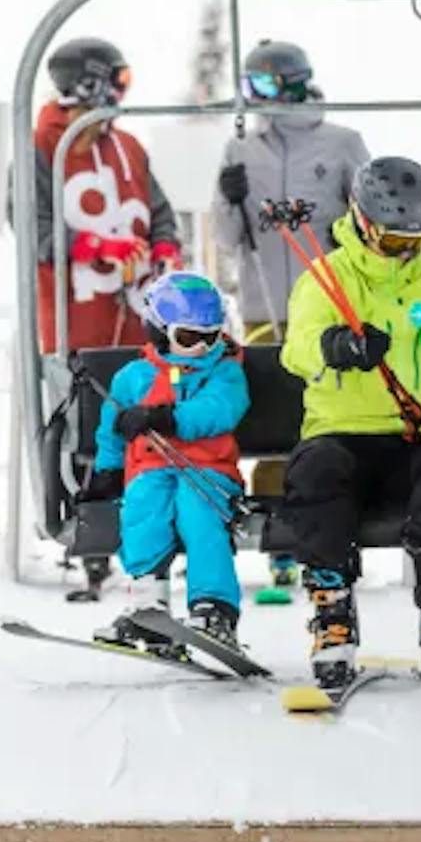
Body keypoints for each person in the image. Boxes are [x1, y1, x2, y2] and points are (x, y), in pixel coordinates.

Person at [278, 156, 421, 687]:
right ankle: (332, 611)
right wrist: (335, 345)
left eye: (415, 241)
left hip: (414, 431)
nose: (406, 252)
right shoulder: (328, 278)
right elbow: (295, 350)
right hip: (341, 430)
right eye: (395, 241)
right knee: (316, 474)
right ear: (362, 220)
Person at [208, 39, 369, 595]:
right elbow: (228, 240)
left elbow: (369, 227)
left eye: (268, 86)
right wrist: (230, 202)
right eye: (251, 87)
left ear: (298, 81)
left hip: (328, 304)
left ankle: (329, 527)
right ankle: (279, 533)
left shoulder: (342, 143)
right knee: (274, 417)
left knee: (321, 418)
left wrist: (333, 233)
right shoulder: (240, 151)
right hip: (263, 305)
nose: (258, 99)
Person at [93, 272, 252, 652]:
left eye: (209, 337)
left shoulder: (225, 371)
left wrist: (167, 418)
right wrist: (107, 468)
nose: (199, 348)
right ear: (158, 330)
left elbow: (221, 410)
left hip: (209, 471)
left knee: (200, 516)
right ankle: (148, 601)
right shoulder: (133, 377)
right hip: (150, 469)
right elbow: (110, 428)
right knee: (143, 509)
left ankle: (214, 608)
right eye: (187, 338)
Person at [28, 37, 182, 355]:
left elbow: (160, 211)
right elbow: (33, 229)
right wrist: (96, 246)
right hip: (77, 326)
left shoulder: (129, 146)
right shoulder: (40, 148)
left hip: (140, 322)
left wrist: (165, 245)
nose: (122, 95)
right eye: (119, 82)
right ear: (89, 84)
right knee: (88, 402)